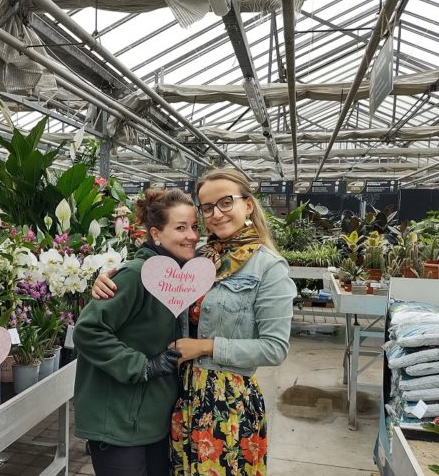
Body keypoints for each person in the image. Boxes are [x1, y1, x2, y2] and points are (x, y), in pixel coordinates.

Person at [92, 169, 296, 476]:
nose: (217, 214)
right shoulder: (198, 259)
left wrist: (205, 347)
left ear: (249, 206)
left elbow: (274, 348)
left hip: (229, 403)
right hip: (183, 397)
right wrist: (106, 277)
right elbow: (150, 266)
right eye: (208, 207)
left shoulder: (269, 267)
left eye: (226, 202)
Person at [73, 188, 200, 476]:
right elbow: (88, 331)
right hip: (118, 421)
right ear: (156, 234)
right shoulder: (135, 275)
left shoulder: (181, 278)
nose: (192, 235)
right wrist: (143, 366)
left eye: (194, 227)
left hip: (152, 418)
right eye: (180, 228)